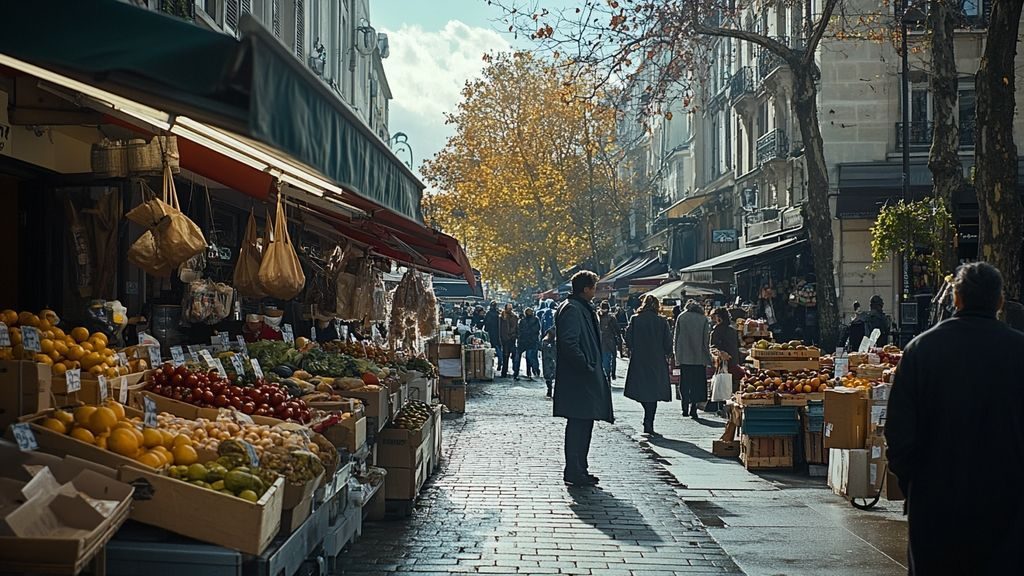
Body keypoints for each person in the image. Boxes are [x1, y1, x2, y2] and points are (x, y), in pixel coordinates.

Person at [886, 262, 1024, 575]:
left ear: (956, 300)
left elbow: (898, 433)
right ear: (1000, 301)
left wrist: (915, 485)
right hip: (1007, 501)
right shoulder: (1019, 351)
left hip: (936, 500)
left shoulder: (921, 350)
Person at [554, 270, 613, 486]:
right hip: (579, 378)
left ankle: (580, 468)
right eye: (594, 287)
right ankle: (574, 469)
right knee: (578, 425)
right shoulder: (573, 309)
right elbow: (569, 343)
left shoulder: (580, 308)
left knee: (584, 424)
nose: (595, 292)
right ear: (586, 289)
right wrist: (586, 366)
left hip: (583, 376)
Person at [624, 295, 673, 437]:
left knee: (641, 389)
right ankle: (649, 421)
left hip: (639, 359)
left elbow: (628, 339)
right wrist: (667, 353)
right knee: (653, 392)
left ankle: (647, 419)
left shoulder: (635, 319)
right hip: (656, 360)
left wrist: (633, 348)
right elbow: (667, 342)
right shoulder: (661, 321)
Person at [674, 300, 712, 419]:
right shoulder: (703, 319)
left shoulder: (682, 317)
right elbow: (706, 340)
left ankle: (684, 406)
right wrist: (708, 357)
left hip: (684, 357)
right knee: (697, 383)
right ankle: (694, 408)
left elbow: (676, 337)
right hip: (699, 357)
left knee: (685, 382)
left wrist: (677, 355)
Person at [710, 307, 742, 404]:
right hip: (734, 361)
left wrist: (720, 353)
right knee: (732, 385)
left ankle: (722, 405)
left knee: (722, 384)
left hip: (723, 362)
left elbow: (713, 346)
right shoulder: (733, 330)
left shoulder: (717, 330)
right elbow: (738, 345)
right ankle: (730, 405)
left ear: (718, 317)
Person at [597, 301, 621, 383]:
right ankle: (611, 374)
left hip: (601, 342)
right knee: (612, 359)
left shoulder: (597, 317)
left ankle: (606, 375)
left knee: (605, 360)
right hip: (611, 341)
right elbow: (617, 330)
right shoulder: (612, 317)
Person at [518, 307, 542, 381]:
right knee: (533, 356)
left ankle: (530, 371)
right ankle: (535, 370)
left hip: (526, 341)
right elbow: (538, 329)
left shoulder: (523, 321)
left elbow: (520, 330)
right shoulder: (536, 320)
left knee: (529, 357)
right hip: (533, 341)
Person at [499, 303, 520, 379]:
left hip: (512, 338)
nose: (510, 309)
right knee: (505, 356)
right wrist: (502, 338)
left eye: (511, 308)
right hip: (505, 339)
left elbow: (517, 327)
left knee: (514, 356)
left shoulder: (514, 317)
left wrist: (517, 335)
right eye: (509, 308)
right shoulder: (502, 317)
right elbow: (500, 329)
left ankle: (515, 372)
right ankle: (504, 372)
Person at [541, 327, 556, 398]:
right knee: (548, 375)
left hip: (551, 361)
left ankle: (550, 389)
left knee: (550, 375)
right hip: (548, 361)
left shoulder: (554, 344)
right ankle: (549, 389)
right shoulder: (545, 343)